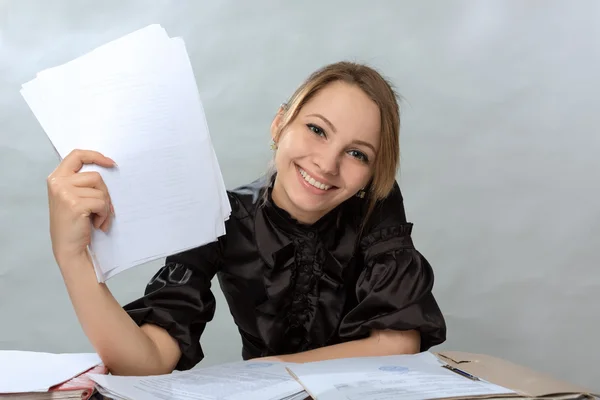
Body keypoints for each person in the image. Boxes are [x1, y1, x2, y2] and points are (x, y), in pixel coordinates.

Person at [46, 61, 446, 376]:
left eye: (357, 154)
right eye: (316, 129)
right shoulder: (220, 216)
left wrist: (263, 371)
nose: (327, 164)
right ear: (279, 124)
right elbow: (147, 362)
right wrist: (73, 257)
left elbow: (396, 343)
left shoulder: (378, 207)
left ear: (373, 175)